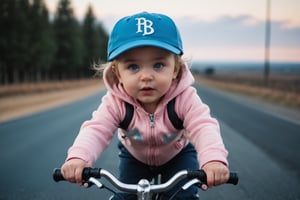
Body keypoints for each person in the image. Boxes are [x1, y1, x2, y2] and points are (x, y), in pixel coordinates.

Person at [61, 11, 229, 199]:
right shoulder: (116, 102)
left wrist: (213, 160)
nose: (146, 76)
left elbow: (203, 126)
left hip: (178, 156)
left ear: (175, 69)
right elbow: (96, 129)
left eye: (158, 65)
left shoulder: (185, 98)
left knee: (183, 197)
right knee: (126, 196)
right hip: (135, 158)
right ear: (117, 74)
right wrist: (79, 157)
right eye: (133, 67)